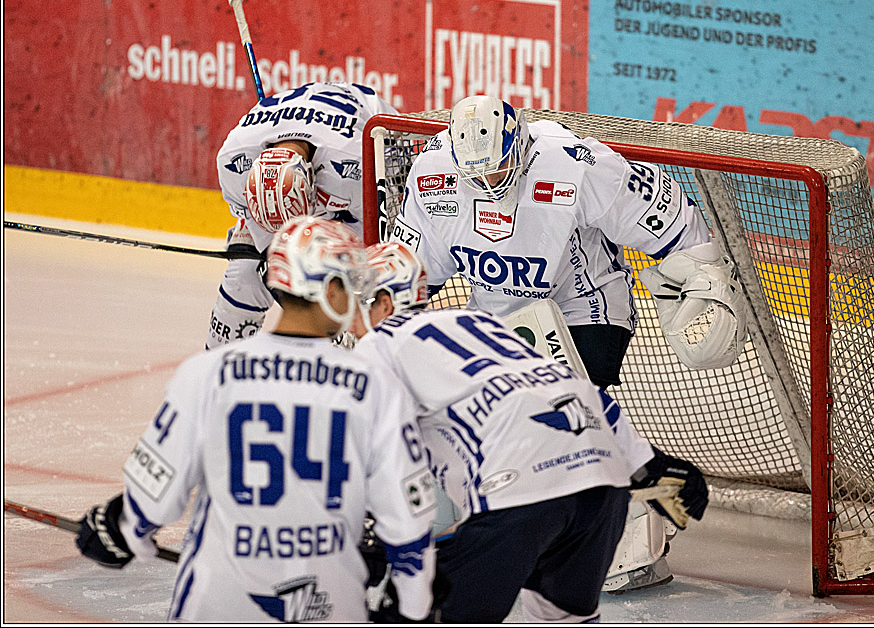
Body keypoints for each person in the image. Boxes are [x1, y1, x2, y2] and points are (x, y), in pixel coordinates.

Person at [389, 94, 742, 590]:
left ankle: (626, 536)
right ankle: (507, 516)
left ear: (519, 143)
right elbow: (412, 267)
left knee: (561, 418)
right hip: (499, 321)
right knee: (468, 415)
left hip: (587, 310)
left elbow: (661, 210)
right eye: (479, 177)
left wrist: (702, 275)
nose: (491, 185)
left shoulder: (574, 162)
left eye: (499, 171)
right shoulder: (433, 174)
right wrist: (387, 321)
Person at [75, 217, 436, 622]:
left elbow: (152, 496)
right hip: (330, 604)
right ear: (329, 290)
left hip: (217, 604)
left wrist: (118, 529)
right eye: (350, 283)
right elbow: (408, 520)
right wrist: (411, 607)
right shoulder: (375, 385)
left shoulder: (208, 373)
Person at [349, 241, 708, 622]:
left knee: (415, 614)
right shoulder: (482, 325)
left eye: (355, 302)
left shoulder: (378, 346)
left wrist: (375, 533)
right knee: (564, 618)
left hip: (519, 492)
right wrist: (649, 463)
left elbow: (372, 450)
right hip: (601, 487)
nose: (347, 317)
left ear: (385, 303)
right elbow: (568, 387)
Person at [207, 81, 398, 350]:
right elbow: (276, 255)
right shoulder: (232, 161)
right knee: (243, 274)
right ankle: (219, 367)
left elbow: (378, 236)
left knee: (362, 286)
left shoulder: (355, 164)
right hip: (307, 125)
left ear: (311, 177)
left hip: (372, 126)